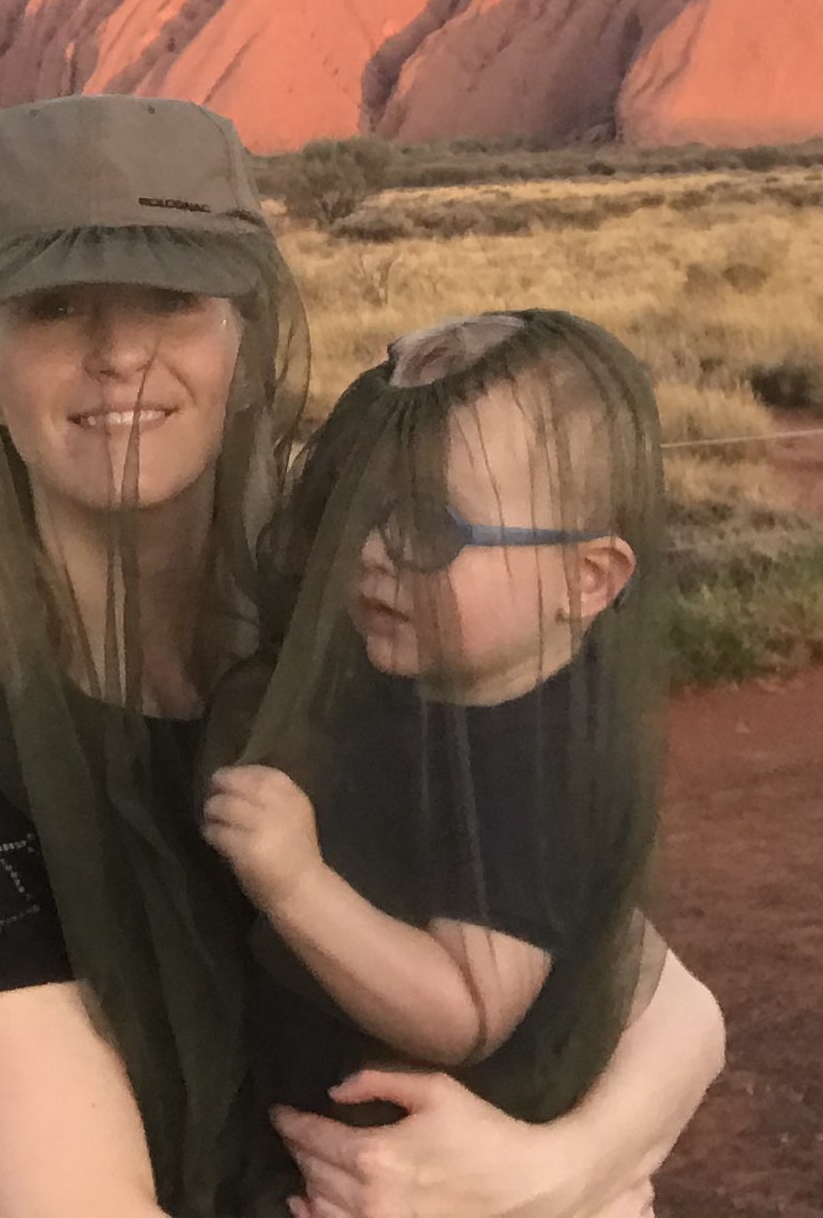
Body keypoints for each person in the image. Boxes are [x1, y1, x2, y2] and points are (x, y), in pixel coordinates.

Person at [0, 98, 719, 1217]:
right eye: (53, 306)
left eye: (174, 300)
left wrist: (545, 1174)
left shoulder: (358, 630)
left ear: (245, 342)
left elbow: (670, 1005)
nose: (120, 353)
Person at [205, 312, 666, 1135]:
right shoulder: (430, 687)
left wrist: (293, 880)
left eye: (429, 526)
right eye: (363, 514)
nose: (375, 551)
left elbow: (466, 1008)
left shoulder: (537, 772)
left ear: (586, 579)